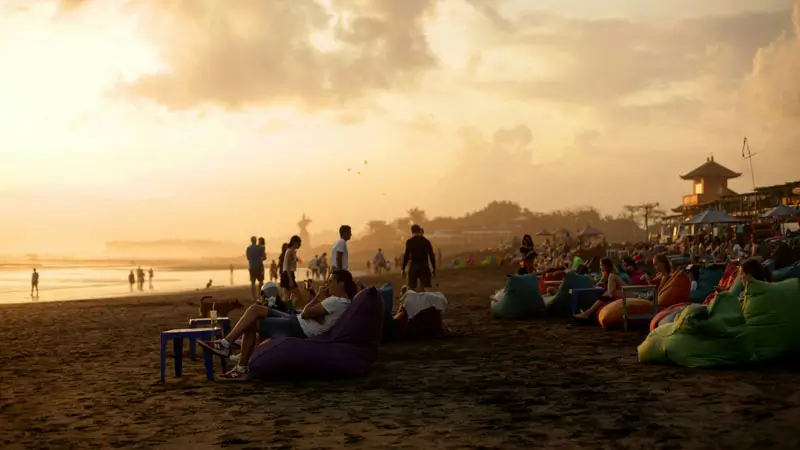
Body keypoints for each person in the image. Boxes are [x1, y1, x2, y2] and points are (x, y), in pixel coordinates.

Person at [198, 269, 357, 381]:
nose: (328, 285)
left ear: (341, 284)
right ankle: (226, 345)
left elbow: (308, 312)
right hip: (296, 319)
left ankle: (238, 364)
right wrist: (317, 297)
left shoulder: (338, 302)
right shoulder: (337, 301)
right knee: (255, 309)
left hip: (298, 327)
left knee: (252, 322)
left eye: (330, 282)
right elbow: (317, 317)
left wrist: (319, 297)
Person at [402, 224, 437, 291]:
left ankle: (415, 300)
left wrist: (403, 268)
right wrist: (434, 268)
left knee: (412, 288)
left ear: (412, 231)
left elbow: (406, 256)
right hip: (424, 266)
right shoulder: (426, 241)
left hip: (413, 267)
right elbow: (431, 255)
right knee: (425, 288)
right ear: (419, 230)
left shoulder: (409, 242)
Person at [281, 235, 303, 304]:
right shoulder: (290, 252)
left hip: (286, 274)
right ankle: (290, 309)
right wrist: (290, 280)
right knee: (298, 295)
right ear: (294, 242)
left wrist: (297, 259)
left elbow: (299, 261)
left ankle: (285, 311)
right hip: (288, 274)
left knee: (287, 296)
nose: (300, 245)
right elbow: (288, 267)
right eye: (298, 243)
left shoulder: (292, 252)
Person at [246, 236, 266, 301]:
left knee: (253, 282)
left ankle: (253, 297)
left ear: (251, 241)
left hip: (251, 267)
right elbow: (263, 257)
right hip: (259, 267)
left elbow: (248, 258)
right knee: (261, 281)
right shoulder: (260, 248)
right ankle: (260, 296)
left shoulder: (248, 248)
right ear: (256, 241)